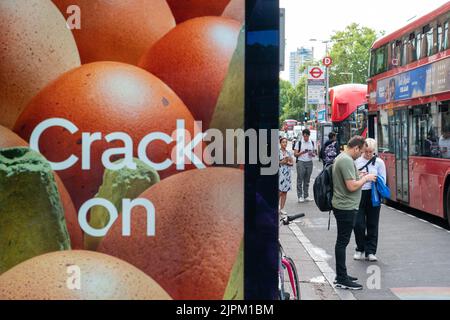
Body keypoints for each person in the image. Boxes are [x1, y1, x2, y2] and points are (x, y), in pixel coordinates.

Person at [332, 136, 377, 290]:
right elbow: (351, 186)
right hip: (345, 207)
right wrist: (367, 179)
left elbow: (349, 180)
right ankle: (342, 278)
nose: (361, 154)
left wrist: (360, 176)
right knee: (342, 243)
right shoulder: (345, 160)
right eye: (362, 151)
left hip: (344, 206)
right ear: (356, 148)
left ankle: (341, 274)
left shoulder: (342, 158)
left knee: (342, 242)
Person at [353, 138, 386, 262]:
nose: (368, 154)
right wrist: (362, 176)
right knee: (358, 224)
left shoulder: (379, 162)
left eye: (371, 152)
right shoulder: (356, 161)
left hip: (374, 194)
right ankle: (360, 248)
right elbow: (352, 178)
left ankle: (371, 251)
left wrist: (375, 178)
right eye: (366, 151)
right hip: (359, 193)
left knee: (373, 223)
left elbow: (383, 180)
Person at [294, 129, 316, 203]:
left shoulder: (312, 142)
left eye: (307, 136)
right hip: (301, 162)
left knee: (307, 180)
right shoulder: (299, 143)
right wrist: (302, 152)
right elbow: (295, 154)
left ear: (309, 136)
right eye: (304, 136)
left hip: (309, 162)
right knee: (300, 179)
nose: (305, 138)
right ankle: (300, 196)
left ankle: (306, 196)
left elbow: (314, 153)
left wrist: (312, 154)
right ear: (303, 135)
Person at [279, 137, 294, 215]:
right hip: (280, 173)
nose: (284, 143)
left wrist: (288, 163)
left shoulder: (288, 152)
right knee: (279, 191)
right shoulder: (278, 152)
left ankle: (282, 208)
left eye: (286, 142)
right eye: (283, 142)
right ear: (280, 143)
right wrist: (283, 161)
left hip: (287, 174)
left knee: (285, 192)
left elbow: (292, 163)